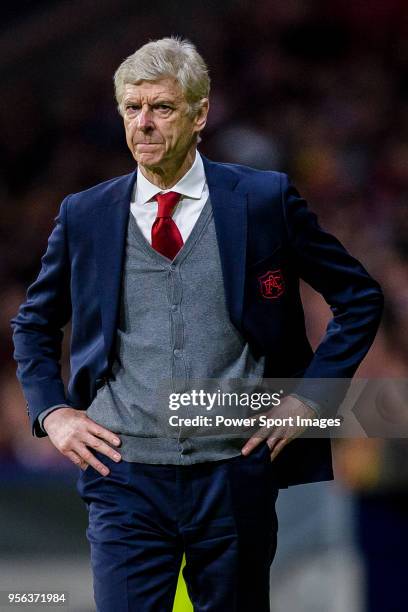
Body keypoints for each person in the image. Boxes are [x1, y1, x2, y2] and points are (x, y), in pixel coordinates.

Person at [11, 37, 383, 611]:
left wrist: (310, 398)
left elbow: (358, 296)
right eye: (132, 108)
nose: (144, 124)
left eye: (161, 107)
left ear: (200, 113)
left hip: (235, 470)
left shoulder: (263, 200)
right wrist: (52, 413)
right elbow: (33, 325)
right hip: (124, 474)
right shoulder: (85, 215)